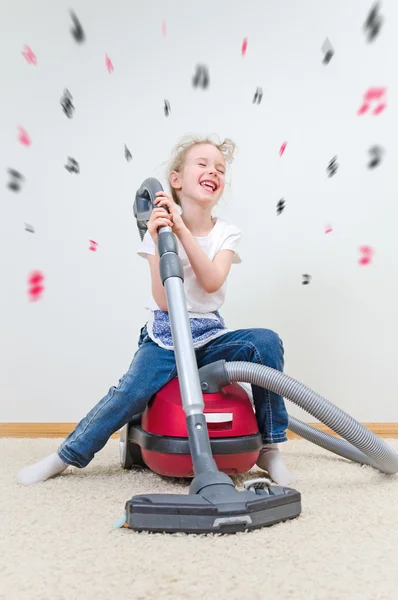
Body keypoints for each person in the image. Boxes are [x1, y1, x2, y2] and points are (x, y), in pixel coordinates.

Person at [17, 134, 295, 487]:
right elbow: (164, 300)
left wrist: (181, 232)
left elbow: (211, 282)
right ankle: (66, 455)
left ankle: (270, 449)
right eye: (203, 164)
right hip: (165, 337)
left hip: (210, 336)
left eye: (220, 168)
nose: (214, 171)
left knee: (265, 342)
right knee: (131, 393)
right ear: (176, 180)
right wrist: (164, 235)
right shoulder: (157, 231)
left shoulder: (226, 232)